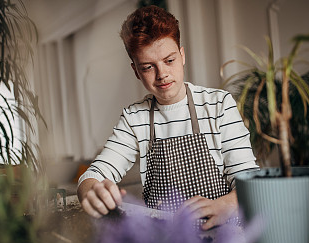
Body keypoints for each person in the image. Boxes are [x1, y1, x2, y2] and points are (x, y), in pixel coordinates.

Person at [77, 5, 258, 230]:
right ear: (136, 71)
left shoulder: (218, 105)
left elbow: (250, 181)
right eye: (148, 67)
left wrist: (227, 204)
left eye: (169, 60)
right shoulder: (135, 118)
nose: (162, 74)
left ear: (182, 56)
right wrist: (92, 191)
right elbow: (93, 175)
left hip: (224, 238)